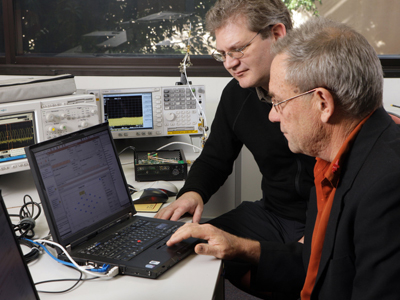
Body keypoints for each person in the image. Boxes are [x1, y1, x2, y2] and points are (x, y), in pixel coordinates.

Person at [156, 0, 315, 298]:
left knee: (305, 271)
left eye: (238, 49)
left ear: (277, 33)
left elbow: (341, 177)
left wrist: (319, 234)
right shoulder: (237, 95)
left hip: (323, 217)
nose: (230, 63)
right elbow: (215, 158)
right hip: (271, 214)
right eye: (223, 54)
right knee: (184, 245)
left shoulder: (316, 90)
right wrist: (193, 192)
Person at [271, 17, 400, 299]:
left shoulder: (387, 187)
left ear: (323, 103)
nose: (272, 115)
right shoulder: (330, 161)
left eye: (278, 102)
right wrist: (237, 247)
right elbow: (322, 260)